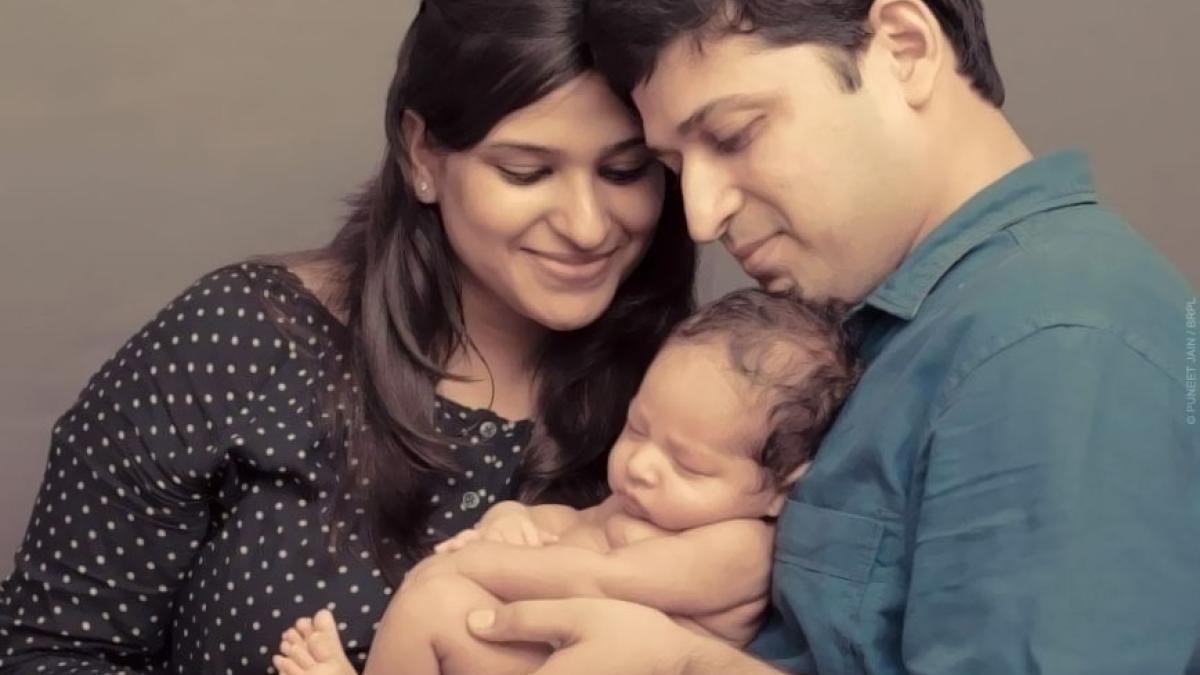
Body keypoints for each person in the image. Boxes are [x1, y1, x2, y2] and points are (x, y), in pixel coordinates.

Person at [461, 1, 1200, 674]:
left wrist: (683, 664)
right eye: (675, 166)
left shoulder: (1056, 341)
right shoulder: (864, 329)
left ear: (904, 48)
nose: (700, 216)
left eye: (733, 134)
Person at [0, 0, 696, 672]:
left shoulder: (691, 402)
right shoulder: (241, 341)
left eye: (625, 171)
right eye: (526, 171)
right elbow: (46, 649)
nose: (586, 225)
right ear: (422, 153)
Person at [270, 290, 860, 675]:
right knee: (433, 604)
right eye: (637, 428)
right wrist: (511, 522)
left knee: (448, 586)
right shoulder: (642, 506)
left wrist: (477, 565)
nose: (641, 466)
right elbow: (570, 526)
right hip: (542, 647)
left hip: (613, 659)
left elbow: (605, 581)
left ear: (781, 486)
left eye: (688, 465)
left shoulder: (738, 546)